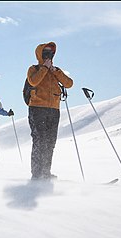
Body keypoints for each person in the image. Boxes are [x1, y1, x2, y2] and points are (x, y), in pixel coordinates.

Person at [26, 41, 73, 180]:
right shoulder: (33, 69)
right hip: (37, 108)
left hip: (54, 109)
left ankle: (46, 173)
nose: (49, 55)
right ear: (40, 54)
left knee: (50, 142)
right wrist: (44, 69)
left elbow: (69, 83)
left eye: (51, 52)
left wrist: (55, 71)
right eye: (45, 52)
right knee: (39, 140)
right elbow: (33, 82)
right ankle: (36, 174)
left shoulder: (55, 71)